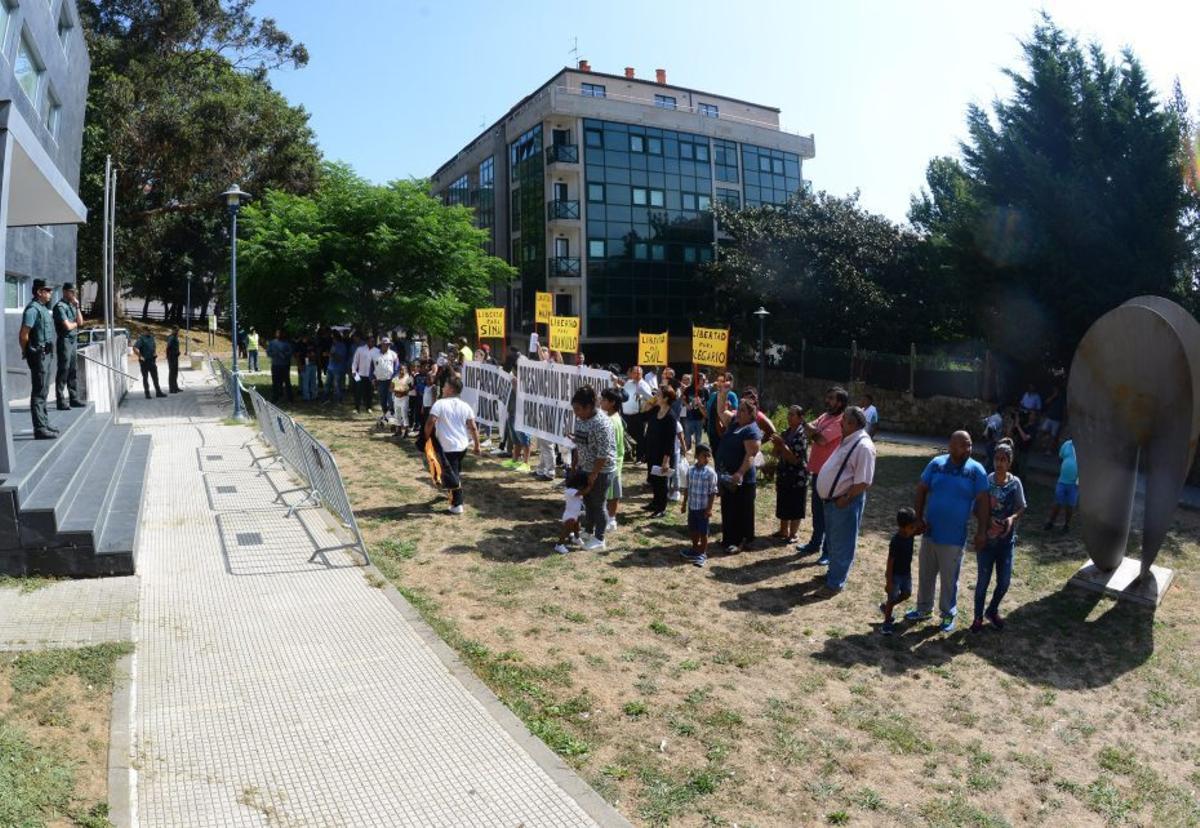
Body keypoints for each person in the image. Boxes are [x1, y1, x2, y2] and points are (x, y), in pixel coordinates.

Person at [907, 430, 990, 633]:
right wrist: (918, 518)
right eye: (964, 445)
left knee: (949, 578)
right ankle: (923, 608)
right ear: (951, 446)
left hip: (954, 537)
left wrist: (982, 532)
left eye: (970, 445)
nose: (968, 449)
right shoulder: (936, 464)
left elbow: (984, 502)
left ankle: (948, 613)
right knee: (926, 573)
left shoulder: (976, 470)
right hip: (930, 532)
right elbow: (921, 488)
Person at [814, 406, 876, 596]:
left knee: (843, 542)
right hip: (833, 502)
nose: (840, 422)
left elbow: (864, 481)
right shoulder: (849, 440)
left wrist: (846, 498)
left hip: (845, 503)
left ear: (852, 423)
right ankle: (833, 574)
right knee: (833, 540)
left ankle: (835, 584)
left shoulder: (863, 446)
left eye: (844, 420)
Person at [973, 438, 1026, 632]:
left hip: (1006, 542)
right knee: (982, 583)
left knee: (1004, 582)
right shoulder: (985, 482)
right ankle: (977, 617)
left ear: (1009, 462)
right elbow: (976, 509)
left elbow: (1021, 507)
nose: (999, 462)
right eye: (997, 458)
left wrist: (1012, 518)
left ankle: (992, 610)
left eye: (1004, 459)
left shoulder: (1015, 483)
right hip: (986, 541)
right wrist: (987, 521)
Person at [797, 386, 848, 562]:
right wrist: (813, 431)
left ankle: (827, 552)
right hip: (817, 471)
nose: (828, 401)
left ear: (840, 403)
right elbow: (811, 429)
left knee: (829, 515)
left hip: (830, 475)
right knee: (817, 511)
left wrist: (813, 431)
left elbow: (821, 439)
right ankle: (814, 543)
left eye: (832, 398)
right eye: (828, 398)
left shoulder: (841, 421)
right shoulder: (825, 416)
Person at [569, 385, 617, 552]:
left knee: (598, 504)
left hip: (601, 471)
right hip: (585, 467)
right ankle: (588, 531)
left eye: (578, 409)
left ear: (589, 407)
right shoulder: (581, 419)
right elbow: (579, 443)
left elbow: (603, 454)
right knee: (588, 501)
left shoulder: (601, 424)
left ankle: (599, 538)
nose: (576, 413)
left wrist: (594, 475)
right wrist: (575, 463)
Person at [424, 374, 480, 515]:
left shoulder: (440, 404)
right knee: (454, 471)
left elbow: (430, 421)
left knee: (451, 474)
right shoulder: (465, 406)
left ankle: (457, 505)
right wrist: (476, 445)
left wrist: (425, 437)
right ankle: (452, 493)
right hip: (462, 446)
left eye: (445, 386)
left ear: (450, 389)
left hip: (448, 446)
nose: (443, 388)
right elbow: (473, 427)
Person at [715, 399, 763, 553]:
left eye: (743, 410)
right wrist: (722, 393)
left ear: (751, 414)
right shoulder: (735, 424)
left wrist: (740, 473)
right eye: (739, 409)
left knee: (741, 511)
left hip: (742, 480)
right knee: (728, 508)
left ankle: (741, 542)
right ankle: (728, 539)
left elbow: (751, 455)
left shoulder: (751, 430)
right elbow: (721, 411)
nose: (738, 413)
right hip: (727, 477)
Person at [20, 280, 58, 438]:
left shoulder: (43, 308)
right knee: (38, 391)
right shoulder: (32, 310)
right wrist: (27, 352)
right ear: (39, 292)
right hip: (39, 355)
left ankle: (44, 422)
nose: (50, 293)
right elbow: (23, 334)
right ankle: (39, 428)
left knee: (44, 390)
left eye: (50, 290)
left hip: (47, 354)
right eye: (46, 290)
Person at [771, 405, 809, 542]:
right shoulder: (785, 432)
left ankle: (793, 534)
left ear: (800, 418)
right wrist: (776, 445)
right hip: (784, 474)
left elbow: (795, 459)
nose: (789, 417)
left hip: (797, 476)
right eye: (789, 414)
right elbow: (775, 454)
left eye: (792, 415)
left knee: (795, 503)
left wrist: (782, 445)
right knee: (784, 501)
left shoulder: (802, 435)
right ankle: (783, 531)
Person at [880, 508, 920, 635]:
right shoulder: (896, 541)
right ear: (903, 527)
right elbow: (890, 562)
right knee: (892, 598)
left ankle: (886, 607)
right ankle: (886, 623)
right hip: (895, 575)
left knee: (907, 594)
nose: (914, 529)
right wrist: (889, 581)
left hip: (906, 574)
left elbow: (921, 530)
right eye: (912, 527)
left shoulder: (911, 534)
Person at [642, 385, 680, 518]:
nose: (655, 396)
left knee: (661, 482)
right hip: (652, 451)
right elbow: (644, 415)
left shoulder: (671, 417)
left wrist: (666, 461)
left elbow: (670, 442)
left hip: (663, 454)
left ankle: (661, 508)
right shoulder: (656, 409)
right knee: (653, 479)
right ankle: (654, 502)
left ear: (665, 398)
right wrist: (649, 402)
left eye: (658, 394)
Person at [680, 443, 718, 566]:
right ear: (697, 456)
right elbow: (687, 488)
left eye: (709, 456)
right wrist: (684, 504)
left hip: (703, 509)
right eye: (704, 456)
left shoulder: (710, 473)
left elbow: (712, 492)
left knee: (703, 532)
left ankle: (702, 553)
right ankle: (695, 549)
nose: (707, 459)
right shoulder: (690, 470)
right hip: (692, 507)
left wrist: (709, 508)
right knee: (693, 530)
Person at [52, 282, 85, 411]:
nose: (74, 294)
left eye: (74, 292)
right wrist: (75, 323)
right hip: (64, 340)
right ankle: (60, 401)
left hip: (73, 340)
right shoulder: (59, 307)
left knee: (73, 370)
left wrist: (77, 307)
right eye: (72, 292)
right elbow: (67, 326)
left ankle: (74, 398)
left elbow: (80, 322)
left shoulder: (71, 306)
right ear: (65, 292)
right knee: (63, 370)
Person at [599, 387, 626, 531]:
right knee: (607, 492)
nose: (601, 402)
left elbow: (611, 445)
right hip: (611, 461)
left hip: (613, 462)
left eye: (604, 400)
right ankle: (607, 517)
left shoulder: (612, 421)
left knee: (613, 492)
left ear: (612, 402)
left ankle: (611, 519)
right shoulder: (611, 417)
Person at [620, 366, 654, 463]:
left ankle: (640, 457)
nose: (636, 374)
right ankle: (629, 455)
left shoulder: (644, 385)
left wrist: (642, 396)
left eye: (638, 373)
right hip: (626, 414)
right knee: (627, 436)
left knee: (639, 437)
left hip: (638, 415)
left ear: (641, 374)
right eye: (634, 372)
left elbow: (651, 399)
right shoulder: (628, 383)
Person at [1044, 438, 1078, 533]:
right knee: (1057, 503)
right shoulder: (1066, 444)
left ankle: (1067, 525)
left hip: (1075, 483)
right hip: (1062, 481)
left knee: (1070, 506)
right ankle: (1051, 522)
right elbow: (1061, 458)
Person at [553, 470, 589, 555]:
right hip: (570, 515)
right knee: (567, 530)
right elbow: (584, 492)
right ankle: (559, 544)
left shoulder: (575, 490)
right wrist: (590, 485)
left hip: (575, 514)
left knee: (577, 527)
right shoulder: (570, 491)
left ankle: (576, 537)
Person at [705, 373, 738, 452]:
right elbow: (707, 413)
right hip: (711, 430)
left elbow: (733, 414)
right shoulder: (713, 395)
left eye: (722, 381)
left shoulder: (731, 395)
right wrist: (699, 405)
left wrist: (727, 404)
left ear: (728, 383)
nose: (719, 383)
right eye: (718, 380)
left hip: (723, 432)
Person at [133, 330, 167, 399]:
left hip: (152, 360)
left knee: (155, 377)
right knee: (145, 378)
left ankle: (158, 392)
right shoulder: (141, 339)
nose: (148, 332)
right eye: (147, 331)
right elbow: (135, 348)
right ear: (144, 331)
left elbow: (153, 347)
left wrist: (154, 353)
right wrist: (140, 356)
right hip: (144, 361)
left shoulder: (151, 338)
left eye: (149, 331)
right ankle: (147, 393)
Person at [682, 372, 708, 453]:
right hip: (688, 418)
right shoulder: (689, 389)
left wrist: (704, 417)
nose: (704, 381)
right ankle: (687, 453)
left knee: (698, 439)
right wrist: (686, 405)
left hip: (699, 419)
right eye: (702, 380)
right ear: (697, 380)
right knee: (687, 438)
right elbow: (683, 398)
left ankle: (697, 455)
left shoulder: (705, 391)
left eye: (704, 380)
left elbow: (706, 405)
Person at [351, 335, 377, 414]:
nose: (372, 343)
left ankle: (368, 407)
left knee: (369, 392)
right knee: (358, 391)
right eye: (370, 341)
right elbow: (355, 361)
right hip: (359, 374)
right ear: (367, 341)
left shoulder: (377, 351)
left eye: (373, 341)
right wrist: (353, 371)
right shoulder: (360, 349)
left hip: (371, 376)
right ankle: (356, 408)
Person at [266, 330, 293, 404]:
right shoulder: (272, 343)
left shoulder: (286, 343)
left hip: (284, 365)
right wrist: (275, 353)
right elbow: (268, 352)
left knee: (287, 382)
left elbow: (290, 353)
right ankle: (275, 398)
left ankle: (290, 398)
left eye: (280, 333)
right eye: (277, 333)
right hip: (275, 365)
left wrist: (284, 354)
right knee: (275, 382)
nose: (279, 334)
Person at [373, 337, 399, 415]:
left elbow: (397, 368)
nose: (387, 346)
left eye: (388, 345)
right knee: (382, 400)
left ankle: (392, 415)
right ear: (381, 345)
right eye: (385, 344)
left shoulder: (393, 354)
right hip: (380, 381)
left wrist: (394, 379)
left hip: (391, 380)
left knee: (391, 399)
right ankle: (386, 414)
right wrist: (372, 379)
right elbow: (371, 368)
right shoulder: (375, 355)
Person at [1039, 385, 1065, 454]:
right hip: (1049, 417)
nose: (1054, 391)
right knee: (1042, 431)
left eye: (1056, 390)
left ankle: (1049, 450)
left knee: (1053, 436)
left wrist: (1063, 420)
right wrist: (1053, 396)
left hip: (1057, 419)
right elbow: (1046, 402)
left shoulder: (1062, 398)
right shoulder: (1052, 397)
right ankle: (1041, 446)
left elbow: (1064, 409)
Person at [326, 330, 349, 403]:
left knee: (337, 385)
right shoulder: (333, 345)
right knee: (328, 384)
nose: (332, 339)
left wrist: (332, 354)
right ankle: (326, 398)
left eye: (333, 338)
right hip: (330, 367)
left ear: (336, 338)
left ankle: (338, 399)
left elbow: (341, 358)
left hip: (338, 369)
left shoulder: (342, 346)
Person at [166, 326, 182, 393]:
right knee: (172, 373)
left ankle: (175, 387)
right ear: (172, 330)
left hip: (175, 356)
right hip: (171, 357)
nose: (177, 332)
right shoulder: (171, 337)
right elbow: (168, 347)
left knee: (175, 372)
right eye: (176, 330)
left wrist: (177, 352)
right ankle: (171, 388)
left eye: (178, 330)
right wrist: (169, 355)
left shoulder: (175, 337)